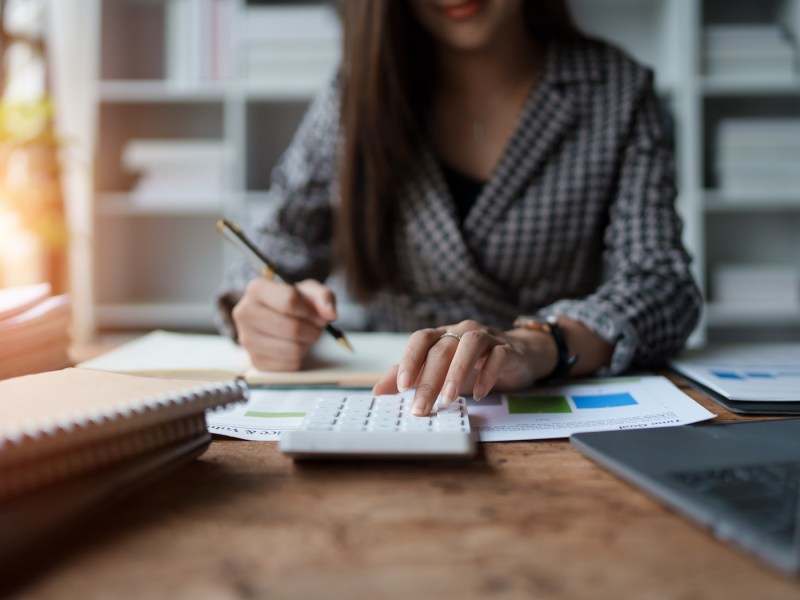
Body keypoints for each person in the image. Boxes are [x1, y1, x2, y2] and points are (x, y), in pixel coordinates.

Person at [216, 0, 702, 417]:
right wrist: (259, 307)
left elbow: (660, 283)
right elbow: (274, 249)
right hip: (391, 401)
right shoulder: (353, 97)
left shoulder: (616, 90)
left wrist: (539, 345)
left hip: (549, 396)